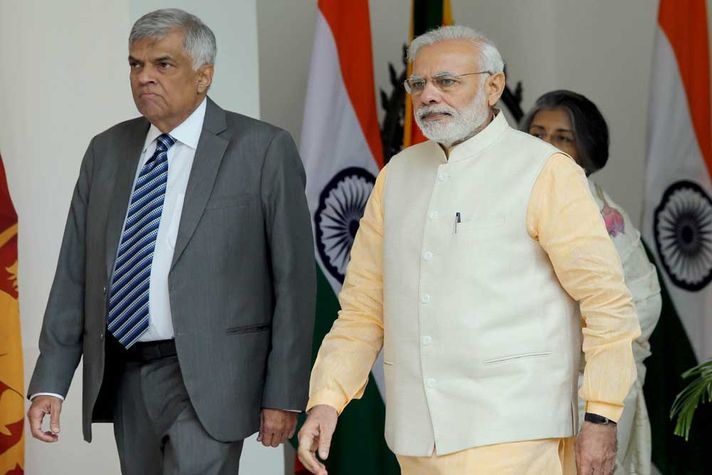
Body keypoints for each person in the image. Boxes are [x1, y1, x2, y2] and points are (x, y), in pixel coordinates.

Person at [298, 25, 640, 475]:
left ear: (493, 86)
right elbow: (363, 309)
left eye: (447, 82)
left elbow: (606, 303)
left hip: (514, 430)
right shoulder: (396, 176)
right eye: (418, 83)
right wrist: (327, 399)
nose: (428, 95)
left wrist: (602, 414)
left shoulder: (544, 170)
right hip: (416, 436)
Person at [26, 8, 315, 474]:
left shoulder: (262, 149)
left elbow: (295, 282)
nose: (145, 78)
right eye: (136, 65)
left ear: (204, 76)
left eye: (163, 64)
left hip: (213, 378)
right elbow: (74, 275)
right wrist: (50, 383)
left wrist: (283, 391)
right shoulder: (106, 151)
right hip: (127, 375)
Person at [522, 90, 662, 474]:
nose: (546, 145)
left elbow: (643, 304)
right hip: (514, 386)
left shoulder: (604, 217)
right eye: (537, 134)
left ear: (586, 147)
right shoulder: (506, 201)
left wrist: (582, 360)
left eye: (562, 137)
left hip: (585, 386)